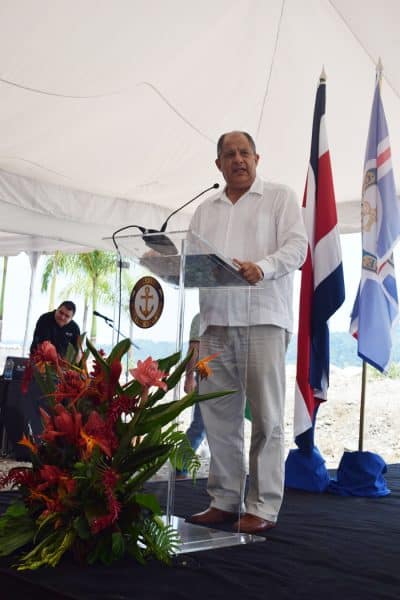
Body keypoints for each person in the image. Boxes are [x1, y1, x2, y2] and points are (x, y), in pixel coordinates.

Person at [187, 131, 307, 533]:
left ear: (257, 157)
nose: (238, 159)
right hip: (216, 323)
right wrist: (164, 260)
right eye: (229, 154)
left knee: (267, 418)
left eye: (244, 153)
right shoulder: (204, 210)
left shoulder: (279, 197)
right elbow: (193, 262)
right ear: (217, 165)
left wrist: (264, 267)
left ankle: (263, 506)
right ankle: (223, 500)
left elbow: (297, 247)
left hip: (263, 319)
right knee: (218, 417)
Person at [176, 313, 207, 479]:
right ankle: (180, 466)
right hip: (206, 375)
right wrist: (189, 377)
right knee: (200, 426)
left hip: (225, 377)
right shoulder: (200, 317)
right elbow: (194, 348)